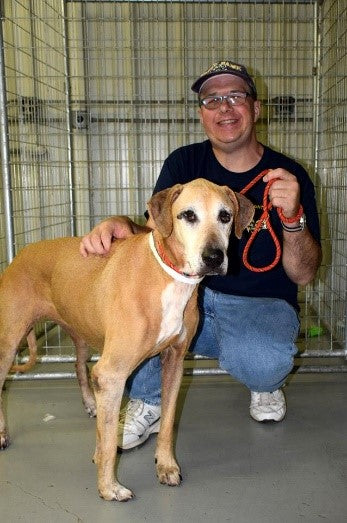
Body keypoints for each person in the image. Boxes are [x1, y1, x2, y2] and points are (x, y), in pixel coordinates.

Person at [80, 61, 322, 450]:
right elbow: (155, 233)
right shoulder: (183, 163)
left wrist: (292, 217)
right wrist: (117, 223)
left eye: (235, 96)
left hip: (257, 306)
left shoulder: (289, 175)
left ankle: (265, 384)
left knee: (265, 361)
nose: (224, 108)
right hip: (186, 296)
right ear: (202, 114)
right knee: (142, 321)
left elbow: (304, 274)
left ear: (256, 109)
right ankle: (149, 400)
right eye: (212, 100)